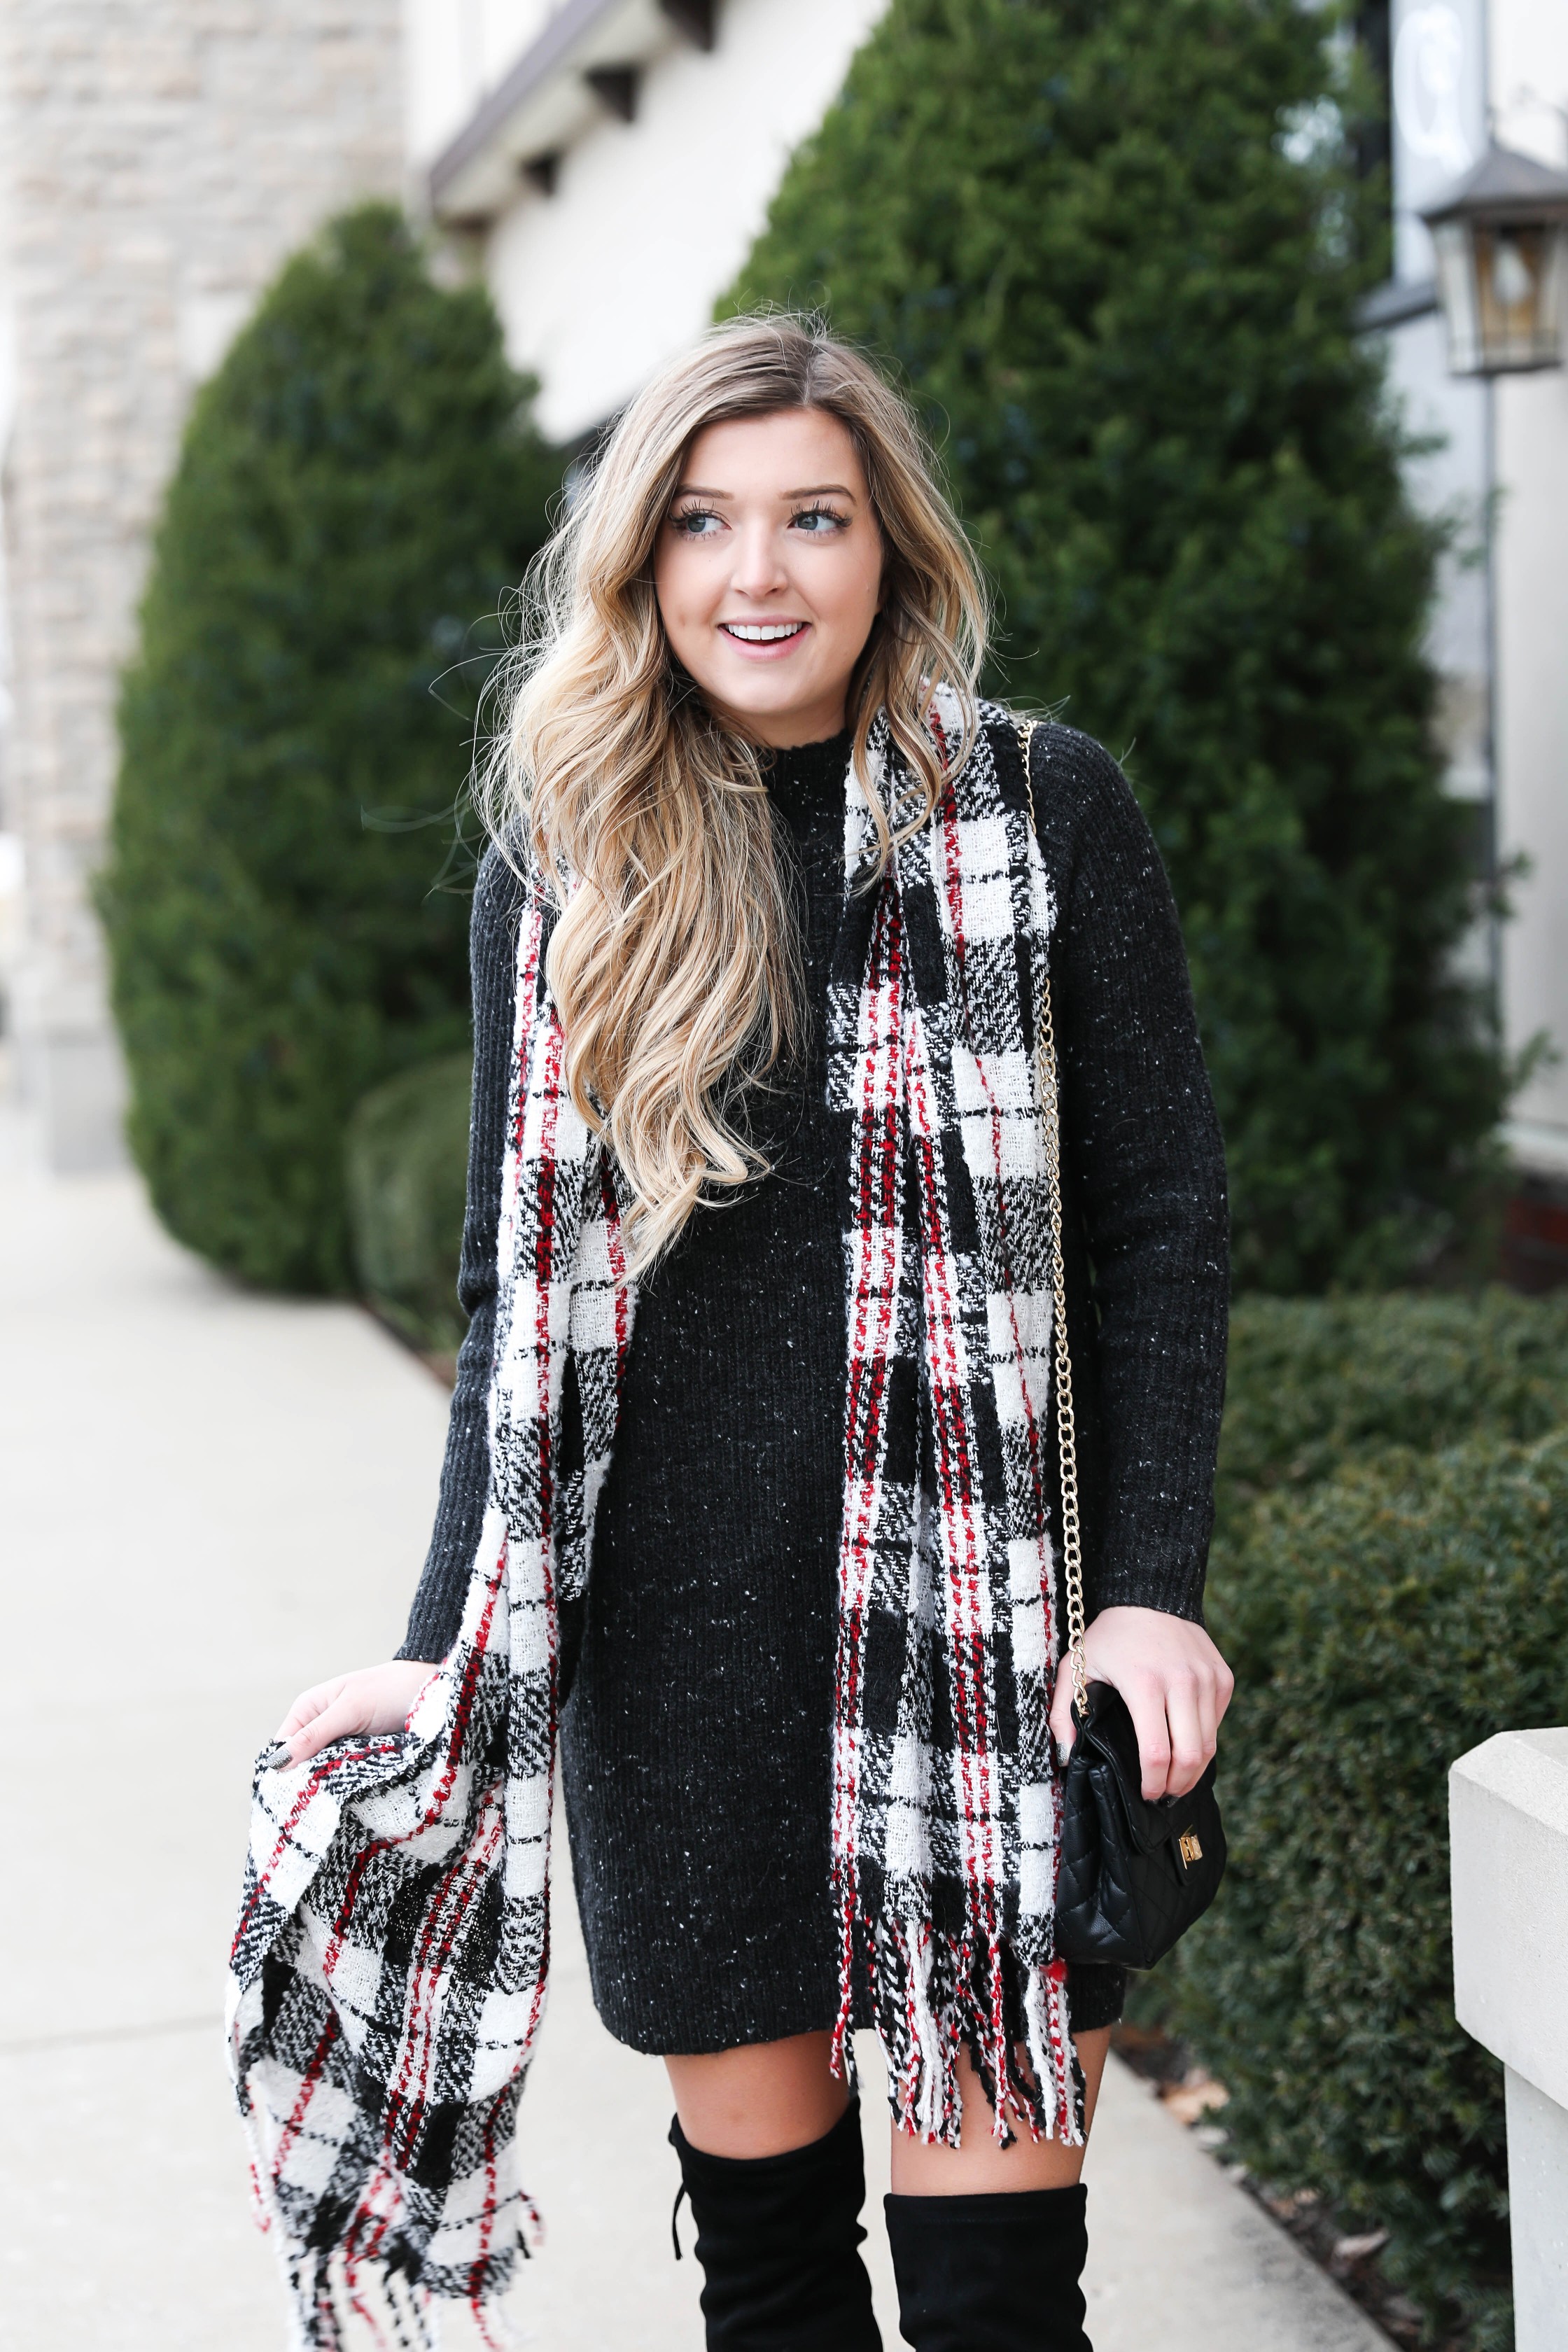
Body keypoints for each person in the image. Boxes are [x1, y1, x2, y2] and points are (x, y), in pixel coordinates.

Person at [260, 314, 1233, 2352]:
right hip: (676, 1673)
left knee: (995, 2310)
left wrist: (1148, 1594)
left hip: (979, 1655)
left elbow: (1154, 1229)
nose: (758, 572)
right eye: (704, 522)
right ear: (641, 561)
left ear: (893, 550)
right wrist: (450, 1653)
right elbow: (509, 1300)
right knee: (776, 2285)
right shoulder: (569, 857)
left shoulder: (1047, 815)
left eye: (813, 516)